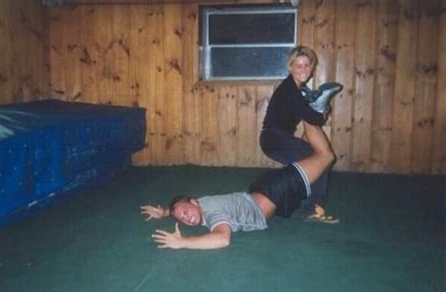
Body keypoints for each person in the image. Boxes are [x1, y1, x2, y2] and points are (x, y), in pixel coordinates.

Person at [141, 120, 335, 250]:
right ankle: (311, 115)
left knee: (325, 156)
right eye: (182, 219)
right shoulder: (201, 204)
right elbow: (181, 209)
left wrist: (183, 242)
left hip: (276, 190)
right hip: (264, 191)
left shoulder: (212, 213)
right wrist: (165, 212)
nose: (187, 219)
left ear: (194, 202)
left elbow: (222, 239)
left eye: (185, 212)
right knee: (306, 156)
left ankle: (309, 111)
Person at [259, 45, 340, 223]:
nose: (303, 69)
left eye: (306, 65)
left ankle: (294, 200)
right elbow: (312, 118)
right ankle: (312, 210)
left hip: (278, 139)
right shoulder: (290, 89)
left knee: (313, 160)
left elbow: (308, 115)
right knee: (321, 159)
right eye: (298, 65)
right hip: (274, 139)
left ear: (311, 67)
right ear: (290, 67)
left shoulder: (296, 89)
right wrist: (323, 113)